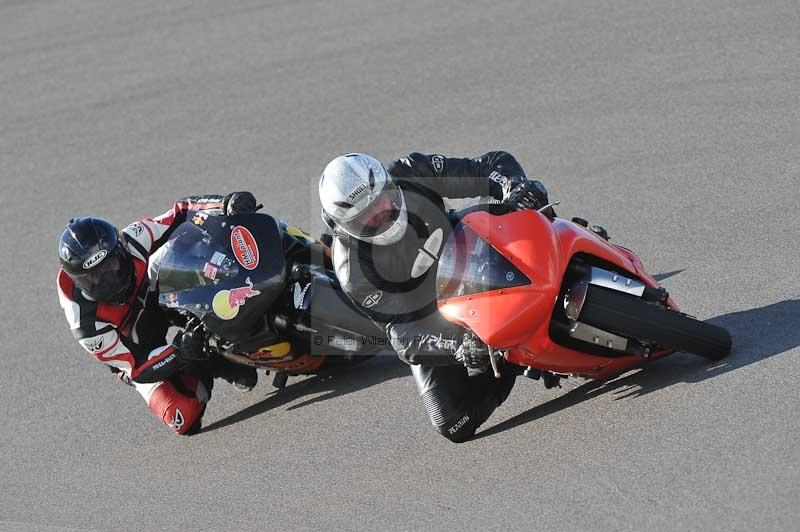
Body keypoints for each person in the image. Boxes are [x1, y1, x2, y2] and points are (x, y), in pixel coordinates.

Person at [318, 151, 550, 442]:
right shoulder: (353, 270)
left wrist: (513, 185)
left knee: (527, 202)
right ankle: (514, 358)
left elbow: (488, 166)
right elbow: (403, 333)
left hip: (467, 243)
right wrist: (456, 345)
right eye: (366, 215)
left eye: (382, 197)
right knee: (451, 421)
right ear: (345, 225)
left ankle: (580, 248)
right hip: (436, 312)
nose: (383, 210)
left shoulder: (412, 172)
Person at [57, 192, 261, 435]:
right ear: (78, 282)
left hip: (153, 292)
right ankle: (215, 362)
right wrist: (180, 352)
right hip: (139, 347)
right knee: (183, 417)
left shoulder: (133, 239)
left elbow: (181, 212)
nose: (107, 281)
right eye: (94, 278)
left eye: (110, 266)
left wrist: (225, 204)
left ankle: (256, 285)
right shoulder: (86, 323)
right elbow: (137, 368)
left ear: (119, 248)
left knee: (188, 241)